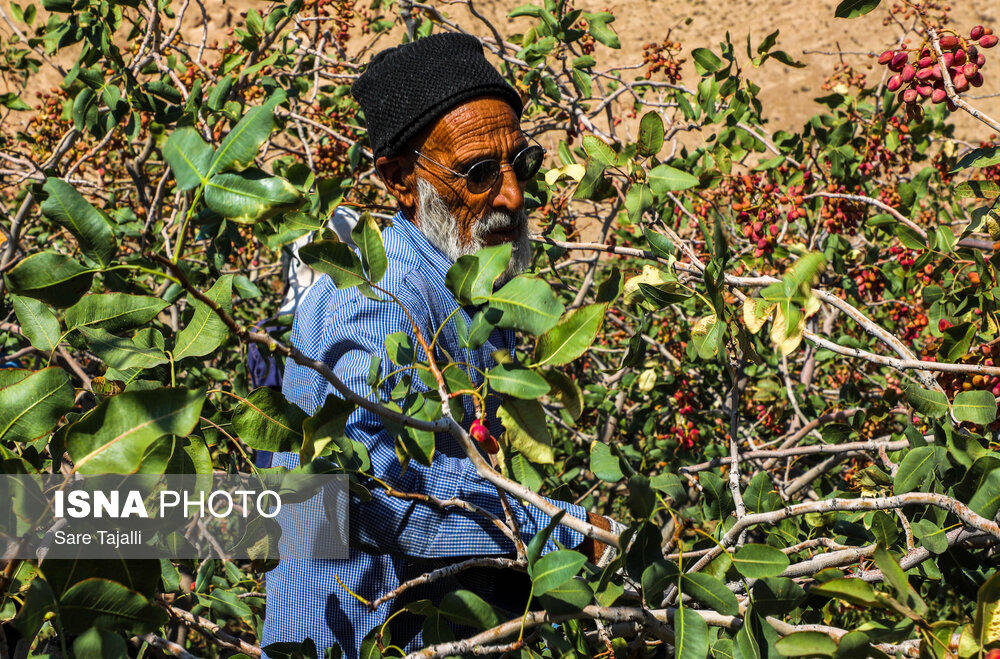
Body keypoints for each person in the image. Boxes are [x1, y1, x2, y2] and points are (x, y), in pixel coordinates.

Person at [262, 32, 620, 658]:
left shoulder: (468, 278)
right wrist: (568, 533)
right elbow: (384, 495)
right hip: (357, 633)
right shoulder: (376, 296)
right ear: (401, 182)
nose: (511, 195)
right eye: (479, 173)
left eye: (521, 164)